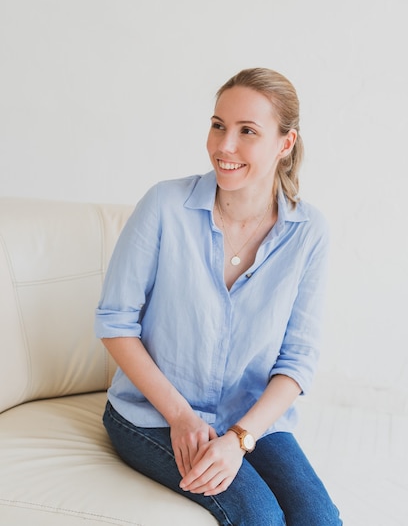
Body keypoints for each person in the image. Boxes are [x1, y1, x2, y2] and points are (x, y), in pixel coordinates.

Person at [95, 67, 342, 525]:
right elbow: (115, 322)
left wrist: (240, 438)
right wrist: (183, 418)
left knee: (319, 518)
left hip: (250, 421)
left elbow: (298, 360)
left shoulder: (309, 233)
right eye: (218, 125)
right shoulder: (164, 206)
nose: (224, 146)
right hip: (154, 416)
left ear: (285, 144)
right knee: (260, 516)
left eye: (248, 131)